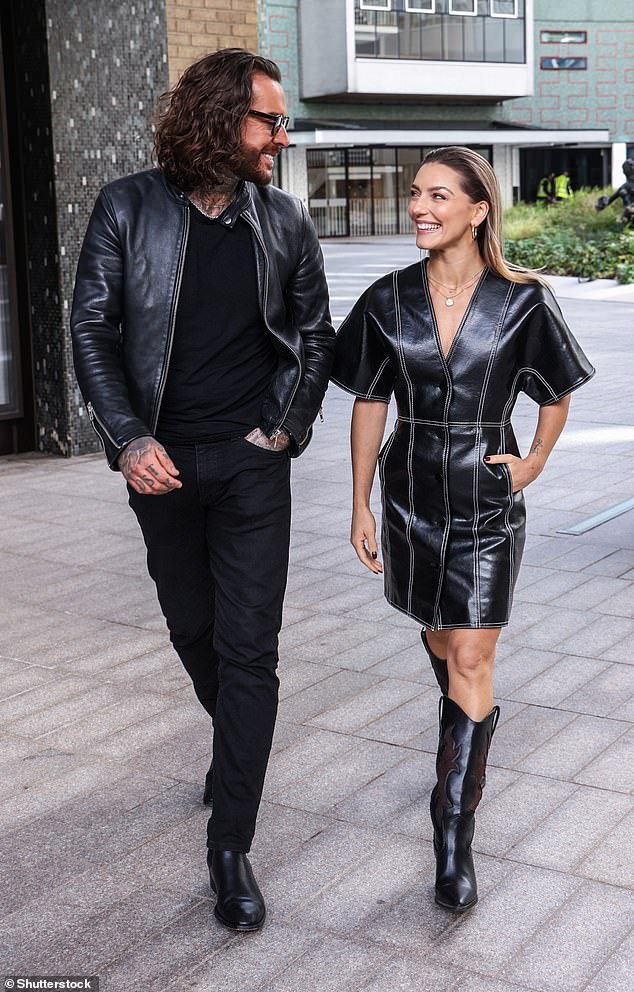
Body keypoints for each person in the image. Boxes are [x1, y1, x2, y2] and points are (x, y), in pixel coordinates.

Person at [71, 48, 334, 933]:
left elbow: (314, 334)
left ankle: (231, 844)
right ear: (221, 119)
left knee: (251, 649)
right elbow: (93, 330)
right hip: (162, 465)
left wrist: (283, 430)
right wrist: (127, 438)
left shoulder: (284, 220)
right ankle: (237, 752)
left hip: (251, 462)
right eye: (269, 120)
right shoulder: (126, 207)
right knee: (195, 631)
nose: (280, 136)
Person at [330, 146, 594, 913]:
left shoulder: (523, 302)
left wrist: (535, 461)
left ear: (478, 210)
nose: (419, 206)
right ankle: (461, 740)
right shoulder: (388, 298)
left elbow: (555, 391)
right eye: (416, 193)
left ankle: (451, 834)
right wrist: (359, 505)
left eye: (438, 195)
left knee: (473, 647)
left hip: (483, 497)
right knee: (446, 642)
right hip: (409, 489)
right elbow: (369, 403)